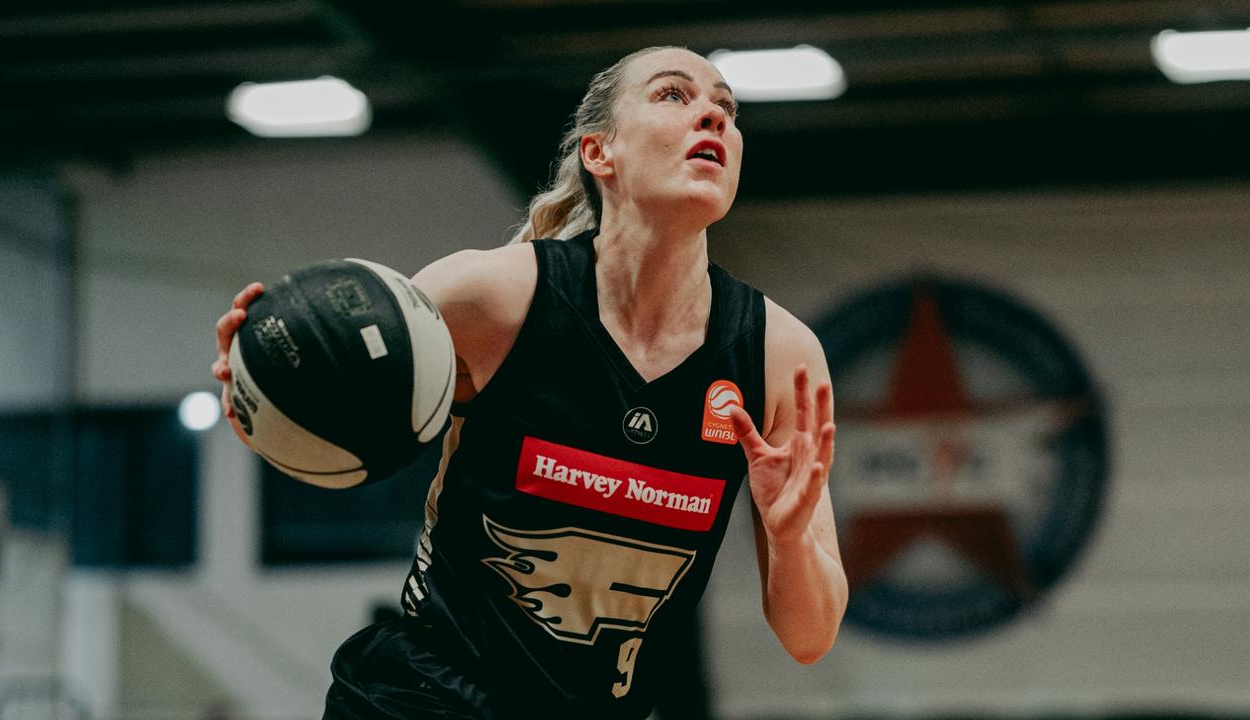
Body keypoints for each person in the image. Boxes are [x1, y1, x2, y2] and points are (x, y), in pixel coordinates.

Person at [212, 46, 847, 719]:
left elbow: (810, 637)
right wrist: (265, 377)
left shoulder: (779, 357)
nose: (713, 118)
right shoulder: (493, 298)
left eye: (727, 108)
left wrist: (786, 535)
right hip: (427, 697)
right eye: (674, 95)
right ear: (600, 153)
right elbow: (342, 387)